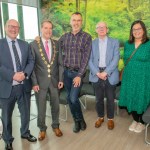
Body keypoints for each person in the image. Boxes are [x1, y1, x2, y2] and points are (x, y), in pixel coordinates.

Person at [0, 19, 37, 150]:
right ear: (5, 28)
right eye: (11, 26)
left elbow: (31, 61)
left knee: (25, 112)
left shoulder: (25, 44)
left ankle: (25, 133)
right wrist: (12, 75)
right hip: (6, 87)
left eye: (16, 27)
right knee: (6, 117)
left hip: (24, 85)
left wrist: (25, 74)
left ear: (19, 29)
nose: (13, 29)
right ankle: (8, 140)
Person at [30, 20, 64, 141]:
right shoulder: (33, 45)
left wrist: (61, 79)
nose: (48, 31)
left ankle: (56, 126)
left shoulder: (56, 44)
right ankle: (42, 129)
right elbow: (32, 66)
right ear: (41, 29)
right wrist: (34, 83)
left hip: (55, 81)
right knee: (41, 107)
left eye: (50, 28)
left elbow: (60, 63)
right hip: (40, 83)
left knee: (55, 105)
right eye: (45, 28)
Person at [59, 12, 92, 133]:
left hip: (77, 74)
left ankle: (80, 119)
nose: (76, 22)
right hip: (66, 73)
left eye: (78, 20)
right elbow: (54, 46)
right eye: (74, 20)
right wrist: (39, 38)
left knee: (73, 97)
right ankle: (77, 121)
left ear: (81, 22)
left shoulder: (86, 37)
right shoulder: (64, 37)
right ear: (70, 22)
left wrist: (79, 75)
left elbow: (86, 58)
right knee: (69, 97)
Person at [119, 20, 150, 133]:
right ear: (131, 31)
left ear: (143, 30)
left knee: (141, 98)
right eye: (134, 29)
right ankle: (135, 120)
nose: (136, 31)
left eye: (139, 29)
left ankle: (141, 122)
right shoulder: (128, 44)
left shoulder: (149, 43)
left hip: (144, 78)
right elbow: (124, 59)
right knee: (130, 97)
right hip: (129, 77)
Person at [89, 22, 120, 130]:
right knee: (98, 99)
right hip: (96, 74)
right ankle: (100, 117)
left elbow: (116, 59)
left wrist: (105, 72)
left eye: (103, 27)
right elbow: (89, 60)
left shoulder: (115, 42)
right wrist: (98, 73)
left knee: (111, 99)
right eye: (99, 27)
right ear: (96, 30)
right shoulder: (92, 43)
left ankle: (110, 119)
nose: (101, 29)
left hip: (110, 74)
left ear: (107, 29)